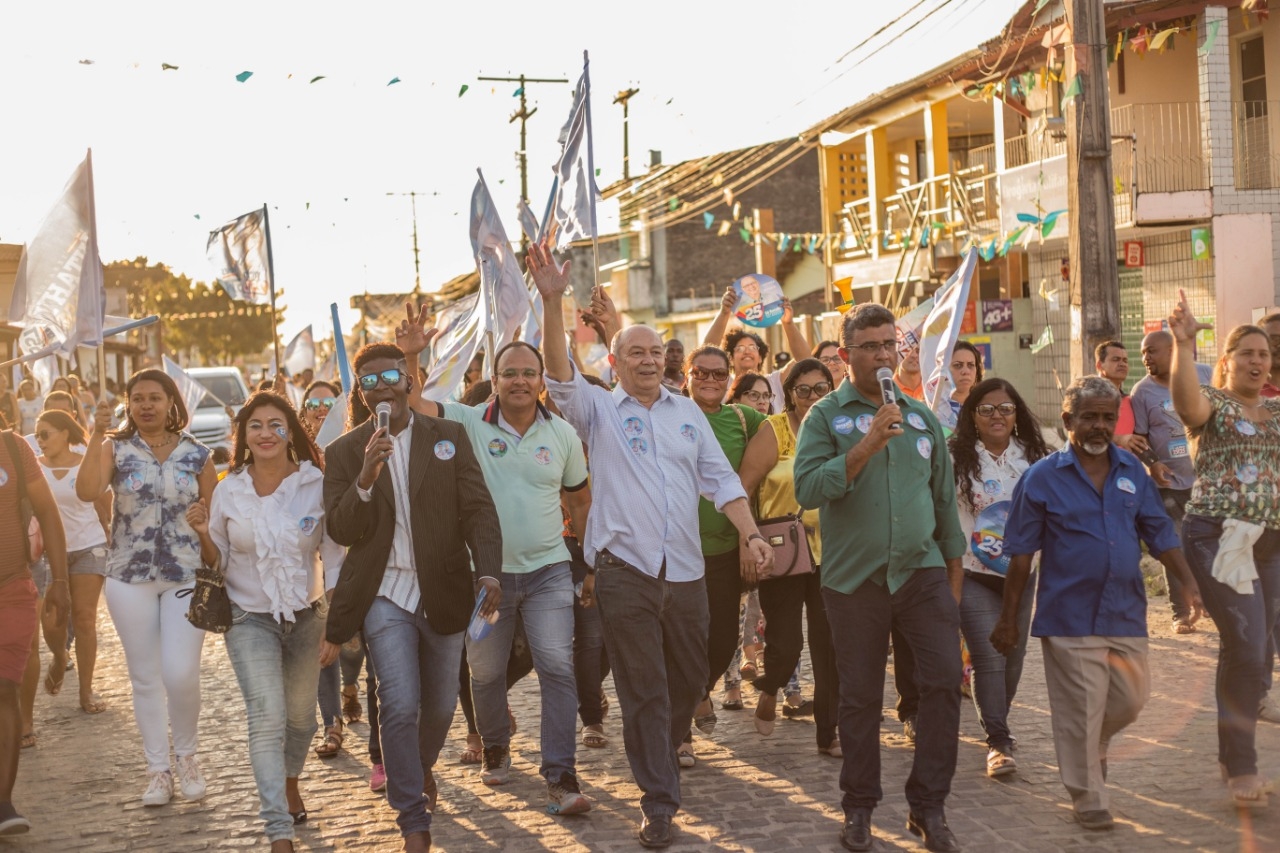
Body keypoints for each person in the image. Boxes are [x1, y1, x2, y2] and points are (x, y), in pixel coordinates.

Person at [529, 239, 772, 850]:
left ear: (665, 359)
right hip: (625, 572)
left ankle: (665, 745)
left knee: (691, 678)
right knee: (643, 687)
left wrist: (750, 533)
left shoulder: (687, 414)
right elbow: (557, 371)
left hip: (686, 573)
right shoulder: (598, 411)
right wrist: (553, 299)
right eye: (632, 352)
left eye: (653, 352)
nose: (644, 360)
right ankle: (658, 799)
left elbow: (720, 480)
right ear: (614, 360)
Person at [396, 303, 594, 815]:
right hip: (485, 580)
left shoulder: (563, 435)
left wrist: (586, 562)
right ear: (494, 379)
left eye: (530, 373)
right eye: (510, 373)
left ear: (541, 381)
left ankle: (562, 776)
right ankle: (497, 745)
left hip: (549, 571)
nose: (521, 381)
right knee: (483, 674)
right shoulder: (466, 422)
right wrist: (411, 354)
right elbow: (414, 402)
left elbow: (578, 500)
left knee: (557, 666)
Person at [993, 375, 1202, 830]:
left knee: (1133, 698)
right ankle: (1088, 796)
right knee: (1080, 708)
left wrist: (1187, 582)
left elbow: (1160, 533)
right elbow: (1022, 555)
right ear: (1068, 420)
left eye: (1108, 418)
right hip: (1068, 614)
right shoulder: (1041, 478)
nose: (1100, 426)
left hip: (1125, 609)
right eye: (1089, 417)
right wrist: (1009, 618)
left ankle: (1094, 743)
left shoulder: (1131, 472)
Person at [793, 302, 966, 853]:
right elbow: (808, 490)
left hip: (921, 574)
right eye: (869, 346)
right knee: (860, 697)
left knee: (942, 684)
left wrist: (953, 584)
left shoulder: (921, 419)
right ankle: (859, 807)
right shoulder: (825, 417)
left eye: (889, 345)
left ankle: (929, 806)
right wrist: (866, 445)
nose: (883, 355)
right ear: (846, 355)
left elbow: (943, 505)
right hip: (854, 582)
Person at [320, 342, 502, 853]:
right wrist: (365, 478)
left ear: (408, 380)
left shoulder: (449, 436)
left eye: (390, 376)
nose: (382, 387)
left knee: (441, 705)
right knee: (398, 702)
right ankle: (411, 817)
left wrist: (488, 570)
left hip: (442, 588)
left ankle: (418, 768)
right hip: (383, 593)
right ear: (361, 392)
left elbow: (479, 511)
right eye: (370, 381)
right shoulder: (343, 452)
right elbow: (341, 527)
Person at [188, 392, 341, 853]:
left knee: (301, 721)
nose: (266, 433)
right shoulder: (228, 488)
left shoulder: (315, 484)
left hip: (308, 615)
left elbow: (333, 555)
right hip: (246, 616)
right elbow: (218, 557)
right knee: (266, 717)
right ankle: (278, 830)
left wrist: (337, 622)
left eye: (276, 424)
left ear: (290, 432)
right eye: (256, 425)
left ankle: (290, 779)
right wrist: (200, 534)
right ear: (244, 435)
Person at [77, 369, 217, 806]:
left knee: (180, 673)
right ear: (128, 404)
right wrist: (94, 434)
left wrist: (205, 532)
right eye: (137, 398)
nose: (146, 406)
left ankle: (188, 757)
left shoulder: (198, 456)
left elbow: (212, 522)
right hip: (128, 578)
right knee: (144, 677)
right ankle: (158, 771)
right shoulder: (114, 448)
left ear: (171, 402)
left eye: (155, 398)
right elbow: (86, 491)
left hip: (184, 575)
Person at [1167, 294, 1280, 807]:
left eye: (1265, 354)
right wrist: (1184, 344)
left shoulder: (1276, 411)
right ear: (1227, 363)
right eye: (1247, 354)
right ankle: (1242, 767)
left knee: (1255, 650)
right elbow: (1186, 401)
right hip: (1219, 535)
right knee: (1248, 644)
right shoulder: (1214, 407)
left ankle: (1228, 754)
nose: (1258, 361)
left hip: (1269, 542)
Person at [737, 357, 841, 755]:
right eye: (803, 389)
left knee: (829, 644)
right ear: (790, 394)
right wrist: (745, 544)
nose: (812, 397)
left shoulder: (839, 432)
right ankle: (770, 685)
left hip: (833, 551)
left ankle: (829, 731)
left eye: (821, 389)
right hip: (781, 551)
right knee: (786, 644)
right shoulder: (774, 431)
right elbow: (743, 488)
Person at [947, 378, 1049, 778]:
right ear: (972, 414)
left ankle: (995, 721)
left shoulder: (1036, 458)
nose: (997, 416)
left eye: (1005, 409)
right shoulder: (955, 457)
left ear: (1017, 414)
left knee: (1014, 659)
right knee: (989, 657)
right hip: (972, 573)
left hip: (1022, 575)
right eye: (987, 409)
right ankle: (999, 743)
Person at [678, 344, 767, 768]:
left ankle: (698, 690)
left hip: (724, 551)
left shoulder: (744, 419)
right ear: (686, 373)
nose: (710, 381)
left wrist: (750, 537)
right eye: (702, 373)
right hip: (675, 550)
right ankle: (679, 732)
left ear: (731, 378)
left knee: (719, 641)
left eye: (719, 374)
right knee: (680, 637)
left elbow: (784, 436)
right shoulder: (669, 412)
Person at [0, 410, 68, 837]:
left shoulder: (13, 447)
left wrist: (59, 580)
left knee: (4, 688)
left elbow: (47, 513)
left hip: (11, 589)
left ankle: (3, 802)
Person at [1132, 330, 1213, 635]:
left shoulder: (1205, 374)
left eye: (1151, 351)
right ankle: (1180, 612)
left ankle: (1209, 604)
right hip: (1169, 486)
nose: (1146, 358)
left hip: (1209, 483)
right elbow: (1139, 438)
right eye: (1143, 354)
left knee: (1210, 546)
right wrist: (1153, 464)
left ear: (1171, 350)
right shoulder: (1142, 392)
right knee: (1173, 548)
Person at [33, 410, 110, 714]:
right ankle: (59, 655)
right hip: (50, 554)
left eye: (45, 434)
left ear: (65, 433)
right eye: (37, 435)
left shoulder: (85, 463)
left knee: (84, 618)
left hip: (89, 546)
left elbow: (104, 502)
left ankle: (86, 691)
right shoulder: (34, 470)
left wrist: (109, 528)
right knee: (52, 618)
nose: (39, 441)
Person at [704, 286, 813, 412]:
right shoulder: (724, 384)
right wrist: (724, 313)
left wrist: (788, 323)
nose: (747, 351)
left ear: (760, 357)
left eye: (752, 347)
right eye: (740, 348)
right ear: (731, 359)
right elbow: (705, 353)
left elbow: (805, 360)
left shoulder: (775, 382)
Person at [1095, 340, 1141, 452]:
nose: (1122, 364)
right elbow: (1080, 433)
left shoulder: (1130, 401)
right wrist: (1118, 439)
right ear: (1099, 365)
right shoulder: (1089, 400)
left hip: (1127, 467)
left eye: (1125, 360)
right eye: (1116, 359)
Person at [949, 341, 983, 412]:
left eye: (970, 365)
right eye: (958, 365)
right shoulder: (932, 408)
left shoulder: (986, 408)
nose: (966, 371)